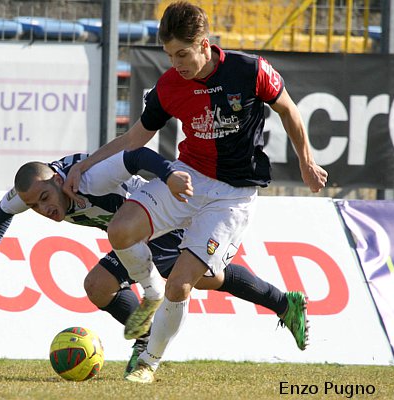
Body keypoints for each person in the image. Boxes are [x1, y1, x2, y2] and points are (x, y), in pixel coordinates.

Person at [63, 1, 327, 383]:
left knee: (183, 283)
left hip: (232, 195)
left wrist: (306, 160)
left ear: (205, 44)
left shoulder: (250, 70)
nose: (177, 64)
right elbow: (135, 137)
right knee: (120, 230)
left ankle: (148, 363)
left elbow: (288, 109)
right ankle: (149, 292)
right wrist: (86, 164)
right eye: (170, 55)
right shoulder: (170, 85)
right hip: (187, 178)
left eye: (182, 54)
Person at [0, 147, 310, 377]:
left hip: (159, 222)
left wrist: (170, 173)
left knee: (103, 284)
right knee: (205, 278)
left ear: (58, 180)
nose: (44, 209)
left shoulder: (87, 178)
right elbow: (2, 210)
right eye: (35, 206)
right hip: (133, 236)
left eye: (45, 199)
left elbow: (134, 154)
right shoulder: (36, 188)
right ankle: (283, 302)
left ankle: (145, 342)